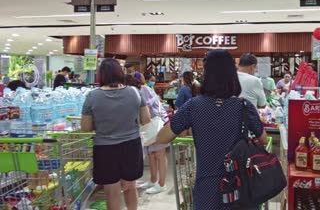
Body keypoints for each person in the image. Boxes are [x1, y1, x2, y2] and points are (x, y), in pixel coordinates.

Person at [156, 49, 267, 210]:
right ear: (232, 74)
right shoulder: (243, 106)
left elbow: (162, 138)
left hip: (207, 188)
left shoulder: (193, 106)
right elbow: (263, 138)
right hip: (239, 186)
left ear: (206, 75)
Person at [81, 58, 151, 210]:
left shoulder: (92, 96)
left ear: (101, 75)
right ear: (120, 73)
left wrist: (102, 122)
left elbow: (85, 127)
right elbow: (146, 119)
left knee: (111, 191)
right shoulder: (134, 92)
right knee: (130, 187)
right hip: (131, 145)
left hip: (104, 148)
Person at [135, 73, 169, 194]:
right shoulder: (141, 90)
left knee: (160, 154)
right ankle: (153, 180)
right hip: (149, 127)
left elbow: (147, 108)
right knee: (152, 155)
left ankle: (162, 184)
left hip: (156, 125)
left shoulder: (143, 90)